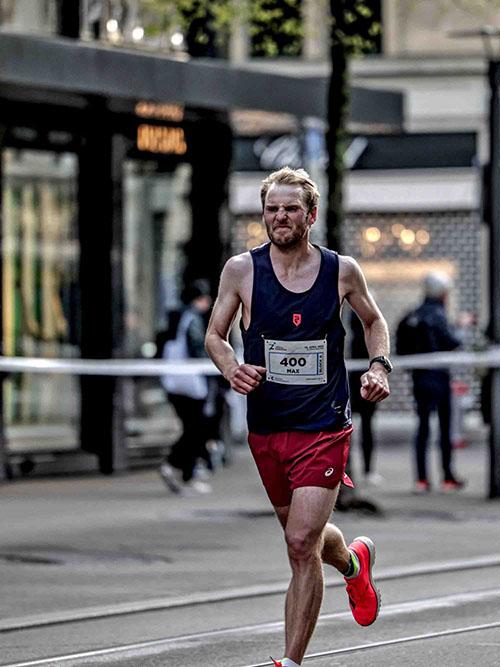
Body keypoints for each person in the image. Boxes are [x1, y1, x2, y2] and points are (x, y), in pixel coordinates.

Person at [205, 167, 391, 667]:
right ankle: (353, 563)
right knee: (305, 538)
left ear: (311, 215)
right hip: (267, 428)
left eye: (290, 209)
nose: (280, 217)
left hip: (323, 426)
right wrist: (231, 368)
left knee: (298, 542)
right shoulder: (241, 270)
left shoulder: (341, 270)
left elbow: (374, 321)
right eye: (271, 209)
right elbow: (215, 336)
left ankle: (290, 661)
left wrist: (379, 366)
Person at [400, 271, 465, 493]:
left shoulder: (413, 315)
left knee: (423, 428)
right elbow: (451, 341)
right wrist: (461, 327)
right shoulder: (438, 315)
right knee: (445, 428)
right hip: (439, 377)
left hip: (419, 378)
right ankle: (447, 476)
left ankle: (422, 479)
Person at [159, 279, 214, 495]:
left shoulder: (175, 317)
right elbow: (197, 349)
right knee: (196, 428)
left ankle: (182, 470)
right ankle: (176, 465)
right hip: (191, 382)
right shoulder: (192, 319)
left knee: (191, 427)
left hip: (173, 380)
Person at [347, 314, 380, 485]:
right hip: (357, 384)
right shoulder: (364, 339)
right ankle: (364, 470)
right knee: (357, 429)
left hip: (359, 384)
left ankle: (363, 469)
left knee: (359, 429)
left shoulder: (363, 338)